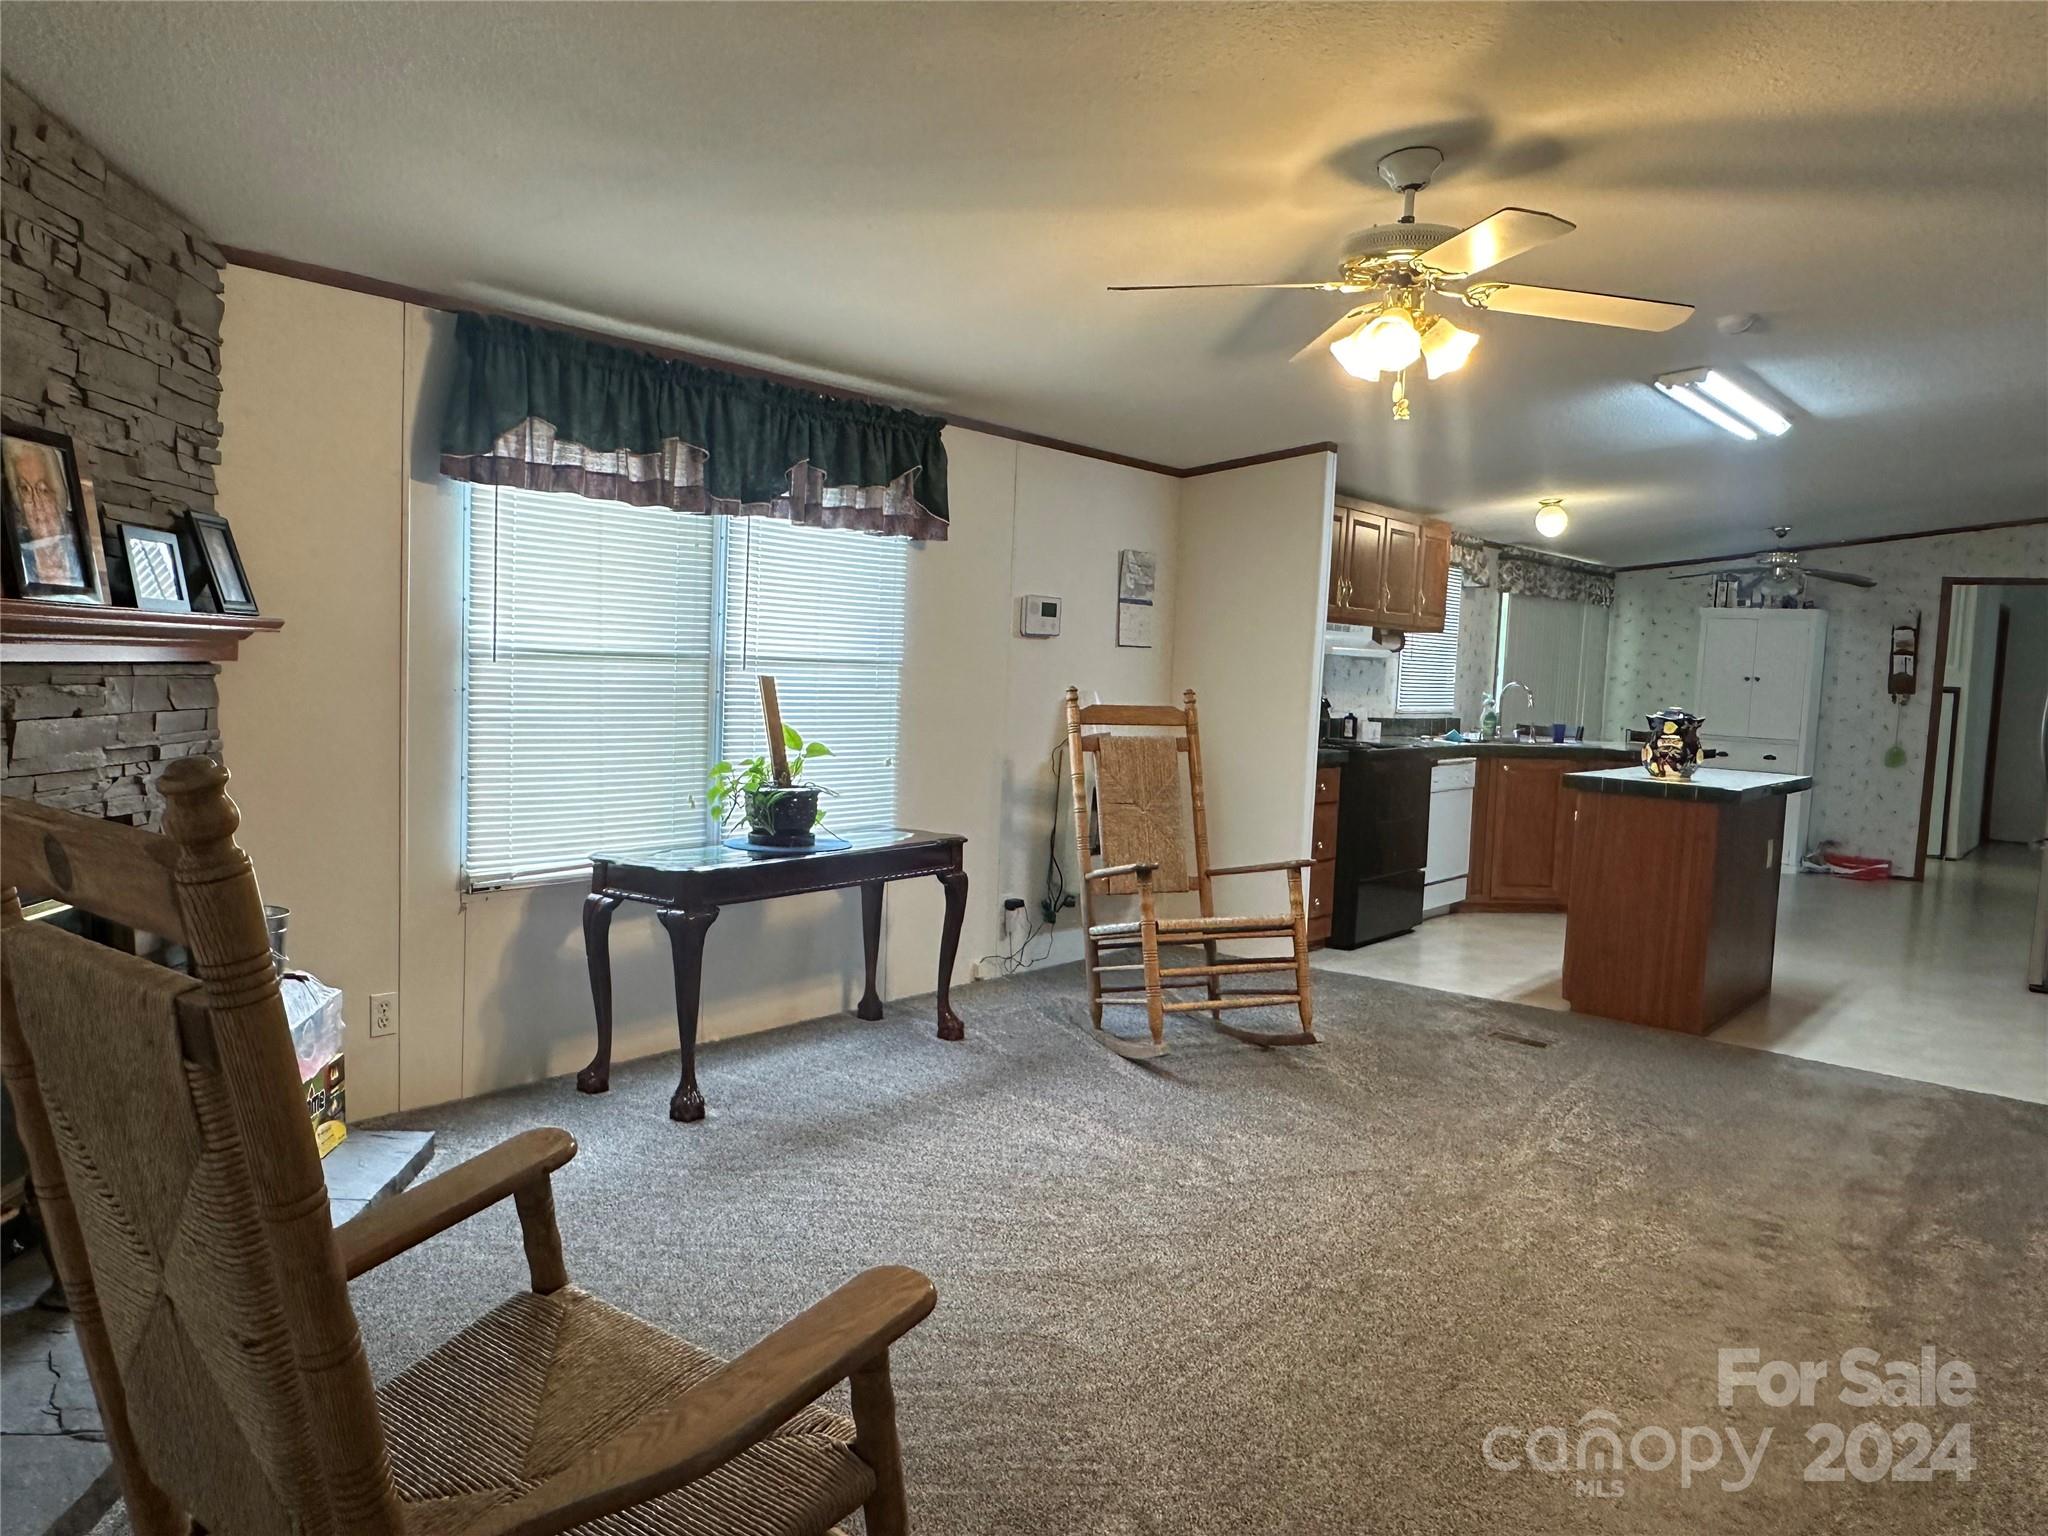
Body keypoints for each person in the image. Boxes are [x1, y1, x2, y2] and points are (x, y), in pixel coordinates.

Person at [3, 438, 85, 588]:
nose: (36, 503)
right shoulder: (11, 551)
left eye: (43, 490)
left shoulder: (80, 544)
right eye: (25, 489)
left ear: (59, 493)